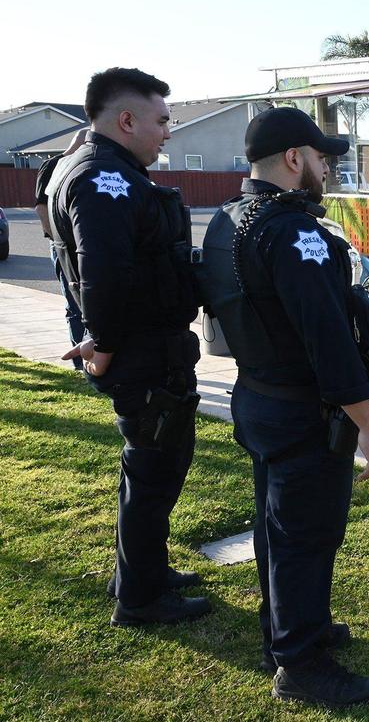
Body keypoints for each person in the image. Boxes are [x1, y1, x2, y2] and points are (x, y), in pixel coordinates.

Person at [198, 107, 369, 707]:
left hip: (258, 396)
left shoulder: (227, 219)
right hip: (303, 411)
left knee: (280, 529)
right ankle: (301, 664)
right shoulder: (293, 230)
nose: (326, 166)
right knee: (306, 535)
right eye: (320, 156)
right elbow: (327, 337)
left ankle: (286, 631)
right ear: (292, 159)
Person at [47, 68, 208, 626]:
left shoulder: (93, 165)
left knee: (148, 466)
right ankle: (141, 598)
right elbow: (104, 272)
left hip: (145, 347)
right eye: (162, 120)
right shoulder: (104, 179)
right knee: (155, 468)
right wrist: (106, 344)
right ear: (126, 120)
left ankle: (140, 570)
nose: (168, 131)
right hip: (140, 353)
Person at [35, 128, 89, 364]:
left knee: (91, 301)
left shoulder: (85, 167)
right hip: (63, 247)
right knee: (74, 303)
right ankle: (80, 363)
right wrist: (56, 239)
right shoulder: (53, 166)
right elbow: (41, 207)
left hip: (82, 245)